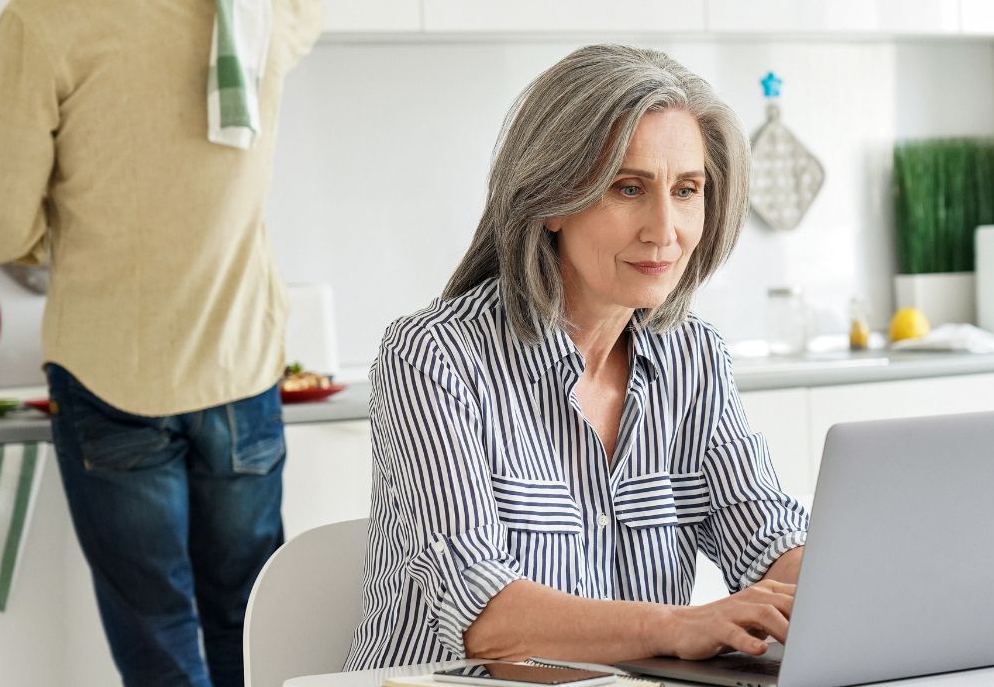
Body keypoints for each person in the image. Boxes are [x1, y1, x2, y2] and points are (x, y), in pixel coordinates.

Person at [347, 45, 809, 670]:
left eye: (687, 189)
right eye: (628, 188)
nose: (665, 229)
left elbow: (766, 538)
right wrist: (680, 625)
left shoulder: (692, 358)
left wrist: (862, 582)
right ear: (554, 199)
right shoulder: (435, 357)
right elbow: (489, 621)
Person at [0, 0, 321, 685]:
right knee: (252, 624)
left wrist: (61, 224)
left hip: (109, 373)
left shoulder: (46, 15)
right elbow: (306, 12)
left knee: (158, 638)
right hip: (239, 371)